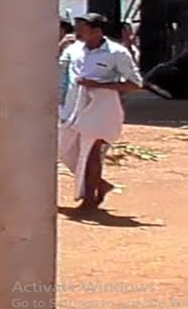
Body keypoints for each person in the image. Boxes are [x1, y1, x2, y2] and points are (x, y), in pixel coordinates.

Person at [59, 13, 142, 210]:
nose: (77, 32)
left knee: (91, 152)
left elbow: (135, 84)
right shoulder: (73, 49)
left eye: (82, 28)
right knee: (63, 150)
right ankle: (100, 184)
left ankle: (89, 199)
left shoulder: (117, 52)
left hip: (101, 108)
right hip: (72, 108)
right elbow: (60, 74)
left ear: (97, 31)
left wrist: (101, 85)